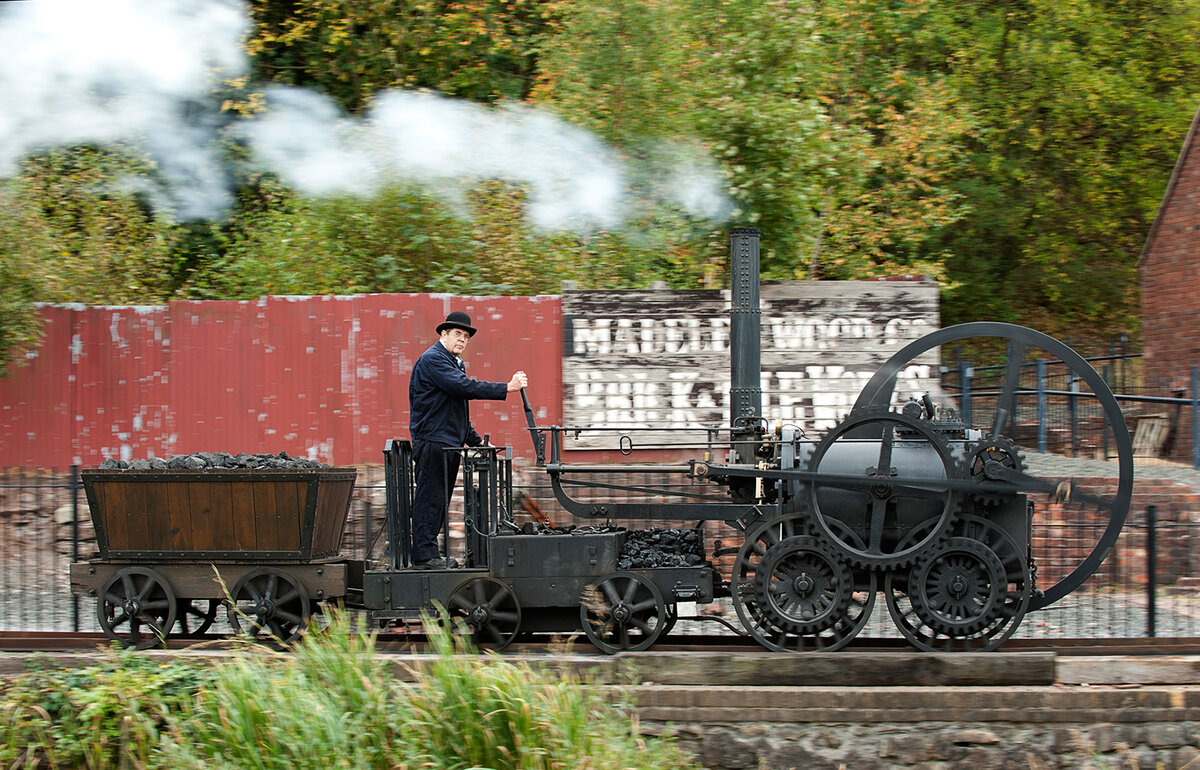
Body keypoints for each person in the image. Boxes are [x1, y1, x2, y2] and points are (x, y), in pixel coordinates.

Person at [407, 310, 528, 569]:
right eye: (457, 334)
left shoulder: (452, 362)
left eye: (466, 336)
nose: (462, 340)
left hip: (446, 442)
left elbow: (456, 409)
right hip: (432, 441)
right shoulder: (433, 360)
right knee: (431, 498)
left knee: (439, 499)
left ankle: (429, 555)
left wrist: (477, 442)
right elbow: (464, 388)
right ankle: (424, 557)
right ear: (444, 334)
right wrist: (506, 387)